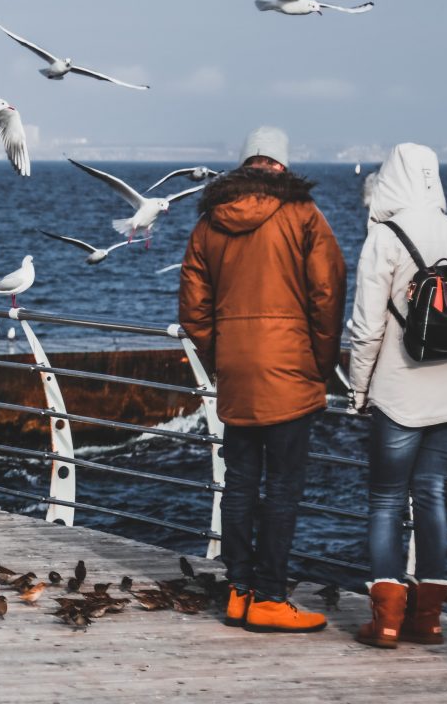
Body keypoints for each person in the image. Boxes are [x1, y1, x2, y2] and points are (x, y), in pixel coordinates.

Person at [179, 126, 346, 633]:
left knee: (240, 485)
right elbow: (328, 292)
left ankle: (239, 591)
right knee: (284, 489)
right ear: (281, 164)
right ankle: (271, 598)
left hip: (236, 370)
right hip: (291, 371)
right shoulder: (303, 215)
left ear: (245, 162)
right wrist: (319, 363)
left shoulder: (209, 221)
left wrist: (220, 355)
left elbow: (193, 306)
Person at [347, 142, 447, 648]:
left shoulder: (383, 239)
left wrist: (358, 391)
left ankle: (387, 620)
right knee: (431, 492)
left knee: (386, 500)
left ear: (392, 179)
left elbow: (367, 329)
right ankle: (430, 619)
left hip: (399, 392)